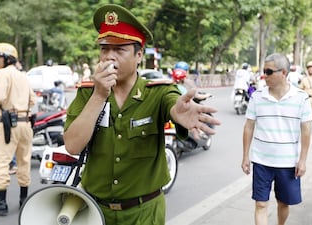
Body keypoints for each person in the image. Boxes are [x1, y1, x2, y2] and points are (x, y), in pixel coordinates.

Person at [63, 4, 220, 225]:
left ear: (139, 56)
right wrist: (99, 96)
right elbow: (72, 145)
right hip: (95, 211)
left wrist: (179, 112)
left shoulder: (157, 91)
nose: (109, 57)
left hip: (144, 213)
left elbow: (173, 104)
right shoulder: (88, 92)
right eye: (104, 49)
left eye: (119, 50)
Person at [241, 53, 312, 225]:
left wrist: (302, 160)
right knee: (260, 204)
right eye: (264, 71)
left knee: (283, 203)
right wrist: (245, 156)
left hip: (287, 163)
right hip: (261, 161)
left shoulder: (301, 98)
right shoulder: (257, 96)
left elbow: (306, 131)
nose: (264, 75)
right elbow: (249, 126)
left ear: (284, 72)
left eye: (269, 71)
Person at [0, 42, 35, 216]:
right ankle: (24, 200)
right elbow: (32, 99)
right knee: (24, 161)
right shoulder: (22, 75)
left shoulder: (3, 73)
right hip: (25, 122)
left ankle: (0, 203)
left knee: (0, 161)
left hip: (9, 124)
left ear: (7, 58)